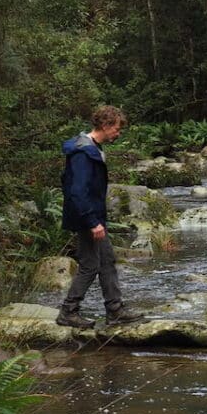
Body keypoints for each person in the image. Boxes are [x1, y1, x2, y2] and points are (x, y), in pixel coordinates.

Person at [57, 105, 142, 329]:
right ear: (105, 126)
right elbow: (77, 191)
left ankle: (115, 310)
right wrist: (92, 221)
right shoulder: (83, 153)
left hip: (93, 216)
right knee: (90, 265)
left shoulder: (91, 147)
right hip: (87, 217)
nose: (118, 133)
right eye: (116, 128)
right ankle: (68, 311)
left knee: (106, 260)